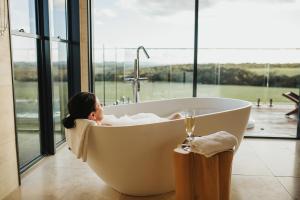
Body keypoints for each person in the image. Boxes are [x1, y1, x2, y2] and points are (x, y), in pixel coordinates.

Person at [63, 92, 182, 129]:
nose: (103, 106)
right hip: (139, 128)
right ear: (92, 115)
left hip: (130, 123)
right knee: (178, 116)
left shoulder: (97, 124)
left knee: (142, 116)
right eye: (100, 105)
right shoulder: (103, 128)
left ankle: (166, 120)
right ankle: (167, 121)